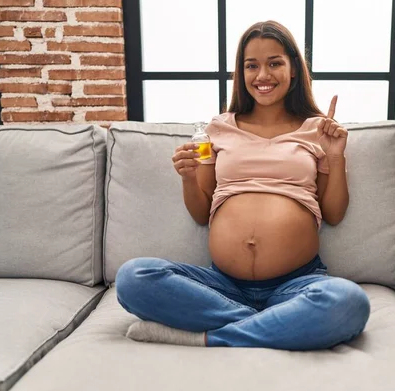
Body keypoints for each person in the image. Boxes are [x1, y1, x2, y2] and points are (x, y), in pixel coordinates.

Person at [115, 20, 370, 350]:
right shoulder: (217, 129)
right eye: (252, 66)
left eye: (275, 63)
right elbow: (201, 213)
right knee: (133, 278)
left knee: (349, 302)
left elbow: (334, 213)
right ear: (241, 73)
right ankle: (279, 323)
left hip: (296, 282)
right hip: (220, 285)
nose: (263, 75)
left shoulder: (316, 131)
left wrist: (336, 156)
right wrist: (189, 178)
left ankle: (212, 335)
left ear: (294, 70)